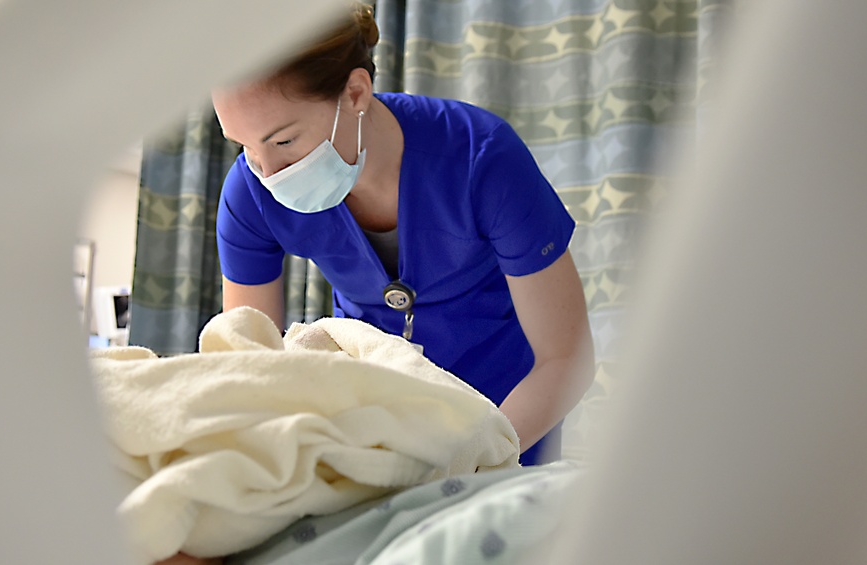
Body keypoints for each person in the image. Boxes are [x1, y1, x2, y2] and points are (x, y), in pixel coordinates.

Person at [211, 2, 594, 467]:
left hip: (510, 423)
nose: (267, 172)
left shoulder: (482, 158)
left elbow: (566, 359)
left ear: (356, 92)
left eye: (284, 140)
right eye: (245, 146)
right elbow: (251, 363)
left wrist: (475, 455)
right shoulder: (250, 194)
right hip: (373, 437)